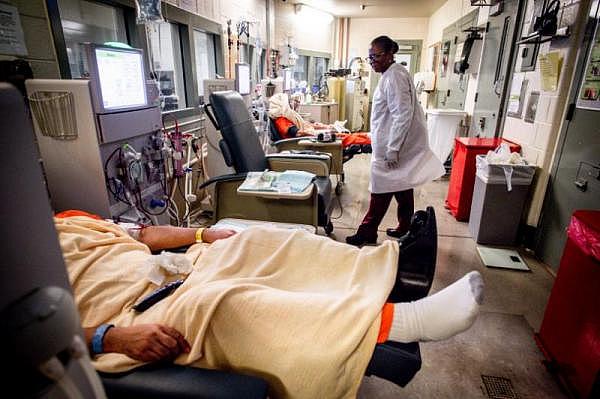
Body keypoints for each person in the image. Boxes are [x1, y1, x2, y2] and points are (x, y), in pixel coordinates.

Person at [55, 211, 483, 398]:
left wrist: (203, 236)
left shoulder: (67, 219)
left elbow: (145, 236)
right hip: (126, 315)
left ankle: (397, 271)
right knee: (227, 301)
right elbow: (21, 339)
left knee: (263, 241)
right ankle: (400, 321)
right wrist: (107, 339)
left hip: (167, 270)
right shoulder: (16, 265)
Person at [346, 36, 445, 246]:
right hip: (394, 143)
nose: (372, 61)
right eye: (370, 56)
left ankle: (367, 232)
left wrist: (392, 148)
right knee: (402, 184)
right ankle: (405, 227)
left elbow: (402, 114)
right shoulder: (392, 73)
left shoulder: (394, 77)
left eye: (377, 56)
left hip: (394, 147)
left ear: (390, 55)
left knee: (381, 187)